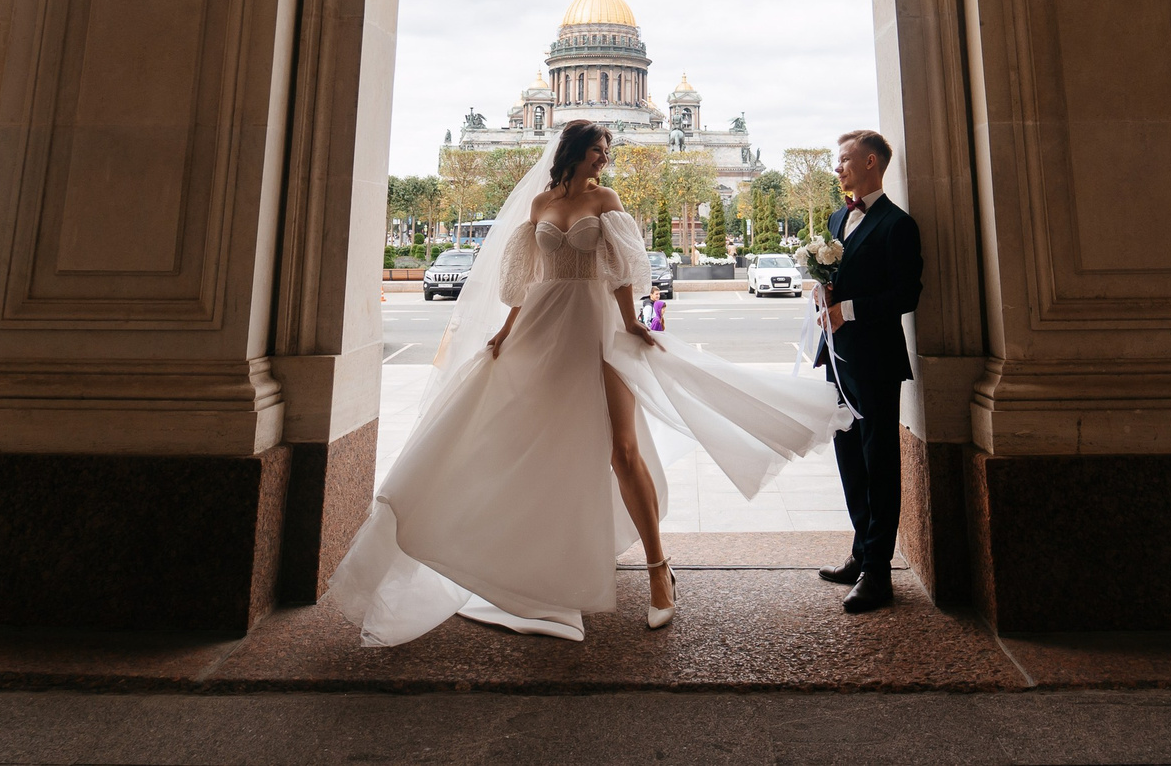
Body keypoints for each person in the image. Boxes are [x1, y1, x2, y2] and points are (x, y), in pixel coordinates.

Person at [327, 119, 852, 646]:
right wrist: (506, 331)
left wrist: (628, 324)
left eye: (606, 150)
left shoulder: (607, 200)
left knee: (623, 452)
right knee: (532, 446)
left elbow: (623, 271)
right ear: (573, 152)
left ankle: (658, 571)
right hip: (541, 327)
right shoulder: (540, 204)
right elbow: (523, 280)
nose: (604, 158)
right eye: (597, 149)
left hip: (597, 326)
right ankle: (537, 568)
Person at [813, 127, 923, 613]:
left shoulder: (898, 225)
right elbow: (836, 281)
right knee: (849, 458)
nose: (837, 168)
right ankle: (861, 553)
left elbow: (905, 295)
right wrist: (823, 296)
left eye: (844, 160)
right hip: (837, 359)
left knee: (879, 462)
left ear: (873, 162)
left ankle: (880, 574)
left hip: (876, 362)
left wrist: (848, 310)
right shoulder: (838, 217)